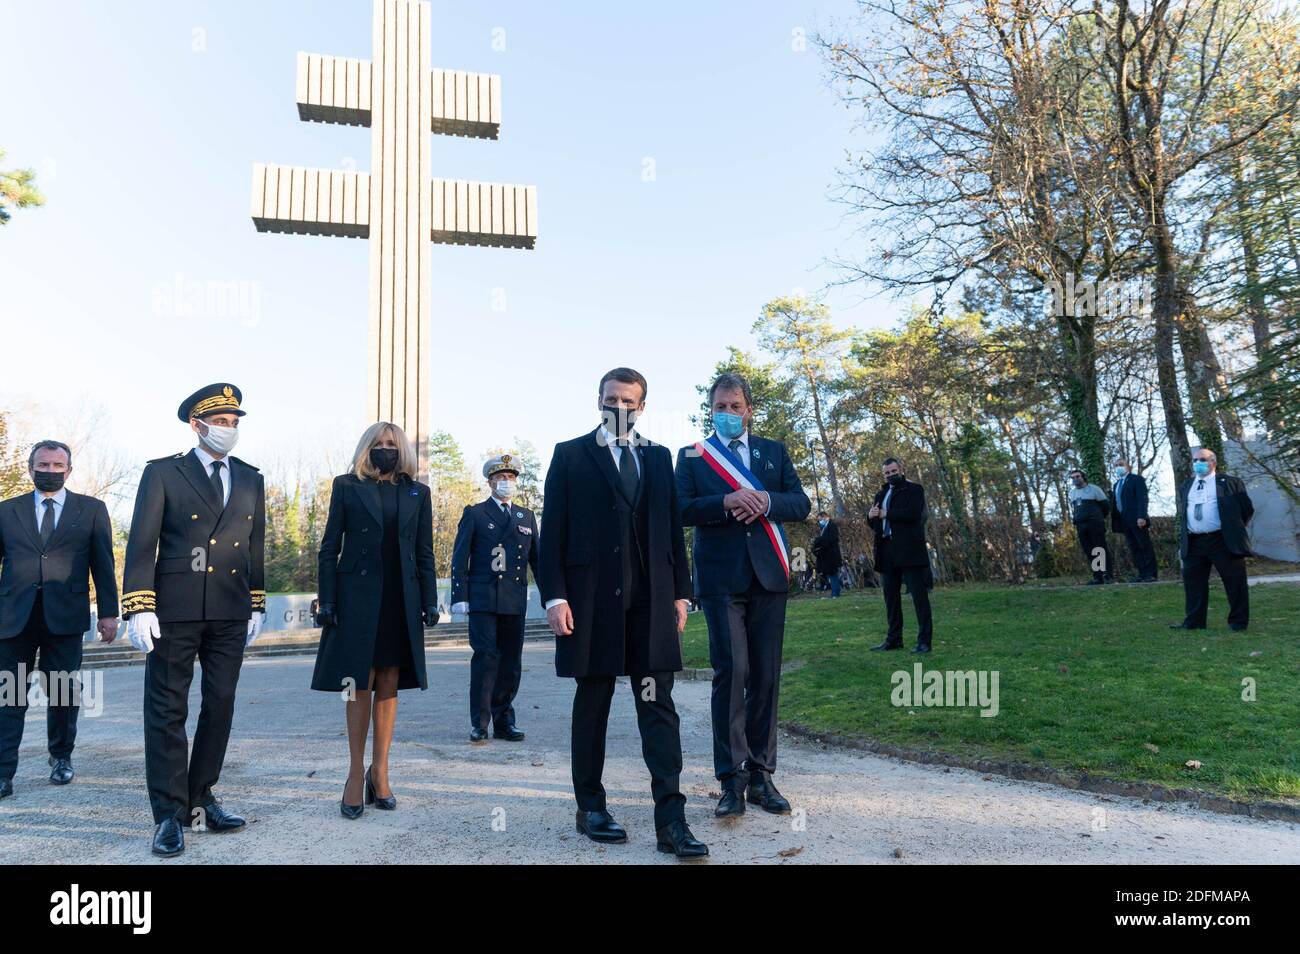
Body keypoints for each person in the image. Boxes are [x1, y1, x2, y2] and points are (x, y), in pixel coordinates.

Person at [538, 367, 707, 859]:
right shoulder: (570, 456)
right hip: (590, 607)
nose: (620, 408)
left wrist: (681, 592)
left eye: (629, 401)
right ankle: (590, 806)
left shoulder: (657, 459)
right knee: (594, 704)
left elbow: (672, 531)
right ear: (598, 401)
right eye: (612, 399)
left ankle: (671, 821)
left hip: (650, 606)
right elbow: (553, 533)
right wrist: (555, 597)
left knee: (658, 708)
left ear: (642, 407)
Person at [122, 383, 267, 857]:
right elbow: (143, 543)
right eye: (221, 422)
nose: (229, 429)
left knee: (220, 704)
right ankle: (168, 814)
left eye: (234, 422)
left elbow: (254, 545)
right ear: (197, 425)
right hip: (175, 610)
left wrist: (257, 601)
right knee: (168, 710)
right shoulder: (165, 473)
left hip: (229, 608)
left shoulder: (250, 477)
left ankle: (200, 799)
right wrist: (139, 604)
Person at [675, 372, 810, 818]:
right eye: (720, 407)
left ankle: (761, 775)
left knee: (766, 676)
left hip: (769, 576)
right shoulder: (693, 457)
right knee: (731, 673)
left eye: (736, 407)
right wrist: (727, 502)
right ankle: (729, 779)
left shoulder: (773, 452)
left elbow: (801, 503)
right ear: (710, 410)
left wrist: (764, 501)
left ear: (749, 409)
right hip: (720, 580)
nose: (728, 413)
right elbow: (680, 509)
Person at [312, 422, 439, 818]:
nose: (386, 449)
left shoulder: (419, 492)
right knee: (356, 681)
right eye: (379, 444)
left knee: (388, 679)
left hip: (401, 598)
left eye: (392, 444)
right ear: (367, 448)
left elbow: (425, 552)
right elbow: (330, 547)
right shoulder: (347, 486)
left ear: (401, 450)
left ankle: (379, 771)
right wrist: (328, 600)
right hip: (356, 598)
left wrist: (430, 600)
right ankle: (354, 773)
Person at [0, 440, 118, 800]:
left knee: (64, 694)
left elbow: (103, 564)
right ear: (30, 467)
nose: (49, 471)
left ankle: (61, 758)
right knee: (9, 696)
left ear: (69, 469)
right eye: (43, 464)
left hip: (65, 619)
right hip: (12, 620)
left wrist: (110, 613)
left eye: (56, 465)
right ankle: (4, 772)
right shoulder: (6, 511)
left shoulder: (92, 510)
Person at [450, 453, 538, 743]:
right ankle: (481, 722)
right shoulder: (475, 513)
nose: (506, 482)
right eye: (500, 478)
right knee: (487, 659)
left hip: (514, 599)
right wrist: (459, 596)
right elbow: (460, 557)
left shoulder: (526, 516)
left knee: (511, 663)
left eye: (511, 478)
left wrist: (553, 598)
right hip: (483, 599)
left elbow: (538, 560)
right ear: (489, 482)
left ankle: (504, 720)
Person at [1171, 448, 1254, 631]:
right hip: (1194, 542)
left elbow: (1246, 509)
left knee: (1234, 582)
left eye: (1202, 459)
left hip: (1222, 540)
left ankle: (1238, 623)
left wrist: (1233, 529)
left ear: (1213, 462)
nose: (1197, 463)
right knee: (1194, 584)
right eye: (1195, 460)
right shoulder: (1186, 485)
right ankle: (1194, 622)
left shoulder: (1230, 483)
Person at [868, 458, 933, 654]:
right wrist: (870, 517)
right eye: (887, 473)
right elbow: (877, 523)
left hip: (909, 549)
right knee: (891, 598)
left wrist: (887, 514)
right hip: (887, 550)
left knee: (919, 596)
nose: (890, 475)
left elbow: (914, 514)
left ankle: (924, 641)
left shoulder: (914, 490)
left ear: (900, 470)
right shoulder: (881, 493)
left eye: (893, 471)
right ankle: (894, 639)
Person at [1110, 457, 1157, 582]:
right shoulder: (1116, 485)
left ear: (1127, 466)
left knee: (1144, 546)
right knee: (1134, 548)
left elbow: (1142, 498)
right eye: (1116, 465)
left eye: (1121, 464)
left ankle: (1151, 574)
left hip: (1137, 519)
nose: (1118, 467)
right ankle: (1142, 574)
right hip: (1124, 521)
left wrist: (1141, 516)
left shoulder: (1136, 480)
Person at [1067, 469, 1113, 585]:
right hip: (1081, 526)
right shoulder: (1072, 493)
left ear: (1083, 477)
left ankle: (1107, 575)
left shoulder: (1095, 489)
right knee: (1090, 550)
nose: (1075, 479)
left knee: (1100, 548)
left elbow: (1105, 506)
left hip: (1095, 524)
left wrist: (1097, 518)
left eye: (1077, 476)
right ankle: (1097, 576)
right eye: (1072, 478)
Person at [811, 511, 844, 598]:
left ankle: (835, 593)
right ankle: (835, 592)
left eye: (820, 519)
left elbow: (832, 539)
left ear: (825, 517)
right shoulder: (825, 527)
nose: (820, 522)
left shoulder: (831, 526)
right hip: (828, 555)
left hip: (832, 555)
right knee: (831, 574)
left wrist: (820, 542)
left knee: (833, 573)